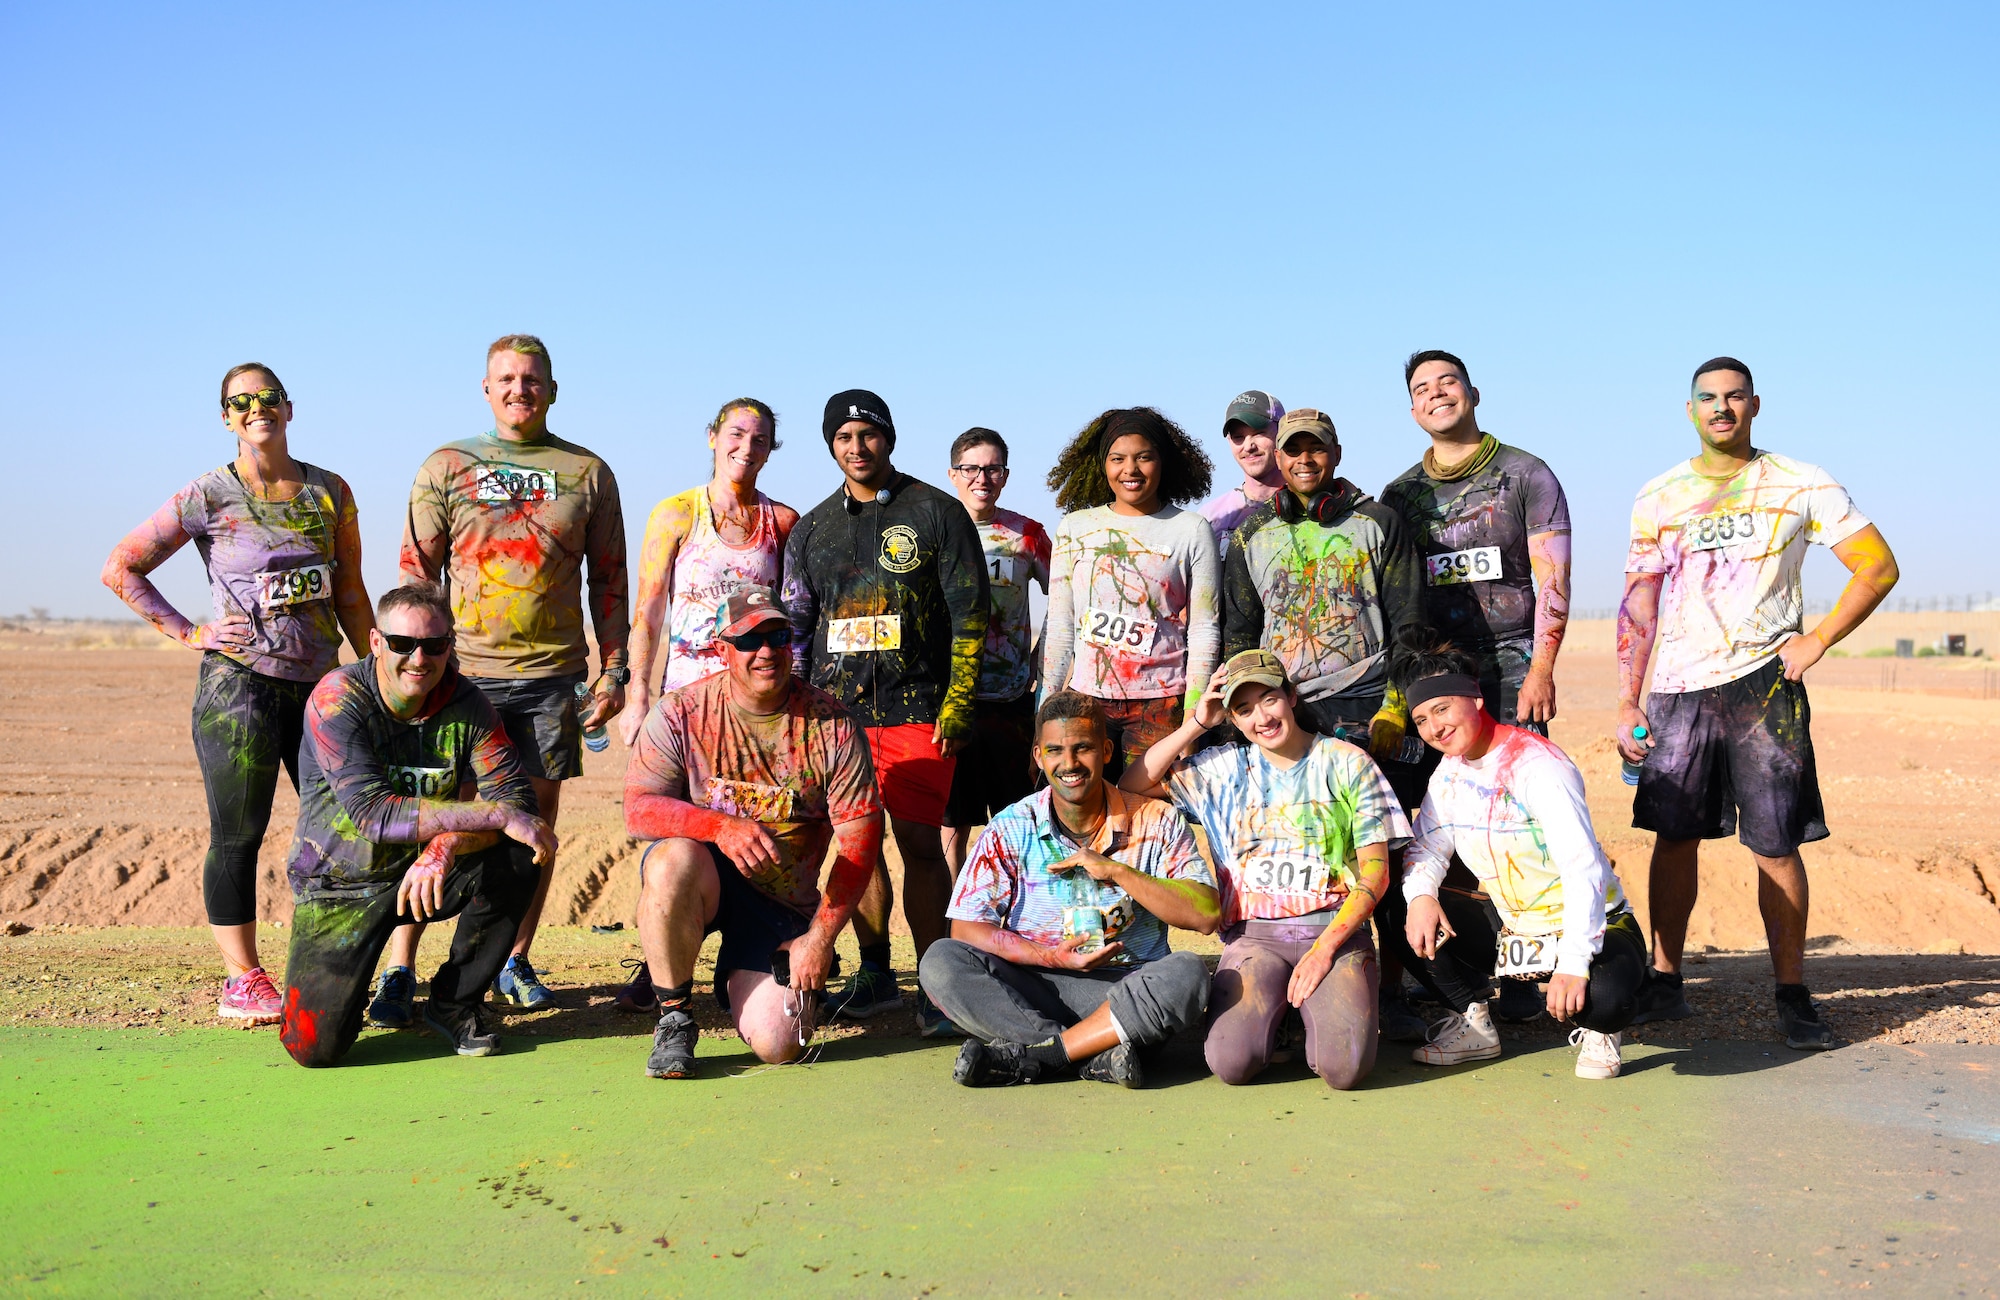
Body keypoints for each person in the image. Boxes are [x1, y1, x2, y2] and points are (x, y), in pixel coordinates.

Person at [1617, 357, 1898, 1051]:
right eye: (1708, 399)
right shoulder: (1659, 494)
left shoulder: (1800, 481)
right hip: (1678, 690)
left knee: (1775, 845)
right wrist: (1627, 697)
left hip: (1764, 686)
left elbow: (1878, 566)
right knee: (1673, 837)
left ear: (1755, 405)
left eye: (1734, 397)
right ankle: (1665, 981)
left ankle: (1792, 992)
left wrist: (1820, 639)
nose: (1722, 408)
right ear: (1690, 411)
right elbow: (1640, 601)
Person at [102, 362, 373, 1024]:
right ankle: (241, 979)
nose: (258, 409)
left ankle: (333, 967)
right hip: (240, 690)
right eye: (242, 402)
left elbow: (351, 592)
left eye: (268, 397)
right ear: (226, 417)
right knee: (239, 834)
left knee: (341, 828)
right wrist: (190, 630)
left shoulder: (331, 491)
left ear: (289, 407)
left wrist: (376, 675)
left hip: (320, 690)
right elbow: (122, 567)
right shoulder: (208, 495)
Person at [383, 333, 630, 1022]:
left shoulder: (587, 472)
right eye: (506, 379)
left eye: (531, 379)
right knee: (435, 818)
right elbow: (415, 576)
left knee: (533, 826)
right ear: (486, 390)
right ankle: (400, 969)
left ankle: (512, 961)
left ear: (552, 390)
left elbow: (609, 582)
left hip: (552, 678)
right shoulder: (446, 467)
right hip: (457, 679)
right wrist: (413, 670)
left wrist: (614, 672)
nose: (519, 389)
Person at [278, 581, 555, 1067]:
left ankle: (455, 1003)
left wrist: (444, 846)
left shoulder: (470, 707)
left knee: (521, 853)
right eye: (403, 644)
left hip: (425, 873)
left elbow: (517, 802)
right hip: (340, 883)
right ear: (376, 642)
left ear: (450, 646)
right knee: (313, 1048)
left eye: (434, 645)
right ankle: (353, 988)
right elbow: (375, 813)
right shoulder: (337, 699)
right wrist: (497, 813)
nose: (418, 659)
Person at [779, 389, 989, 1031]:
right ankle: (876, 974)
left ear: (889, 439)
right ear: (830, 446)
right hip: (835, 721)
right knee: (854, 847)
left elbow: (971, 614)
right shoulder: (812, 528)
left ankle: (938, 985)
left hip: (918, 711)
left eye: (868, 435)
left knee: (922, 846)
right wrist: (794, 716)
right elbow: (794, 628)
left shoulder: (937, 512)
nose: (856, 448)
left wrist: (956, 705)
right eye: (843, 438)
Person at [1218, 406, 1429, 1041]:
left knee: (1384, 857)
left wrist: (1397, 708)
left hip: (1369, 710)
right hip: (1284, 712)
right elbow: (1238, 634)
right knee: (1294, 848)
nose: (1304, 460)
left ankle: (1389, 988)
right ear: (1278, 460)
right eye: (1293, 450)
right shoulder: (1252, 533)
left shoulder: (1379, 522)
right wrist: (1237, 718)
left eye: (1316, 449)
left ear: (1334, 454)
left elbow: (1408, 621)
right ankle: (1279, 999)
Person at [1380, 349, 1574, 1025]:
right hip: (1436, 689)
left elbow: (1553, 580)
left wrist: (1543, 668)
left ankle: (1532, 966)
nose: (1437, 394)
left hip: (1515, 675)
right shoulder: (1400, 496)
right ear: (1412, 409)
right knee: (1444, 826)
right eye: (1422, 389)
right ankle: (1460, 965)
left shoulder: (1526, 474)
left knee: (1521, 827)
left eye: (1448, 382)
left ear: (1473, 392)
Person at [623, 587, 883, 1077]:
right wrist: (720, 827)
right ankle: (674, 1015)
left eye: (778, 637)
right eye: (749, 640)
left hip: (781, 906)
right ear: (722, 649)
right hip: (704, 881)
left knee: (780, 1043)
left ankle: (753, 977)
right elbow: (639, 809)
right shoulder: (682, 713)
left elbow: (860, 841)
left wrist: (820, 939)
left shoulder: (832, 726)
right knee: (671, 860)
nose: (766, 651)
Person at [1122, 649, 1409, 1089]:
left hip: (1333, 930)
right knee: (1231, 1064)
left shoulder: (1346, 762)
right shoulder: (1221, 769)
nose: (1261, 717)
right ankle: (1282, 1016)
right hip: (1255, 938)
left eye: (1269, 698)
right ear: (1232, 719)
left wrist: (1324, 951)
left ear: (1292, 696)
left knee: (1344, 1069)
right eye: (1243, 709)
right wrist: (1197, 724)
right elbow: (1131, 784)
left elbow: (1376, 873)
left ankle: (1311, 1009)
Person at [919, 691, 1218, 1088]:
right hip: (1038, 986)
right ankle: (1087, 1056)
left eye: (1083, 748)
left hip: (1124, 992)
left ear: (1107, 750)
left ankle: (1039, 1056)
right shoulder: (1012, 826)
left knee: (1188, 973)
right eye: (1056, 750)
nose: (1070, 763)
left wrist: (1118, 871)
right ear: (1039, 755)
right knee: (941, 960)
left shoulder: (1157, 819)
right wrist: (1050, 957)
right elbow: (966, 929)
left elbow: (1206, 915)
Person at [610, 398, 797, 1015]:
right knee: (675, 829)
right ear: (713, 437)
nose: (747, 446)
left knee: (757, 819)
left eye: (761, 438)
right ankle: (663, 959)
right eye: (737, 433)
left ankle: (757, 941)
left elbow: (795, 615)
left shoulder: (783, 523)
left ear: (772, 449)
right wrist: (638, 695)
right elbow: (650, 610)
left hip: (757, 707)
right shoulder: (676, 514)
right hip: (686, 706)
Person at [1393, 635, 1643, 1079]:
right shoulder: (1447, 774)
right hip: (1514, 927)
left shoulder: (1536, 765)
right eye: (1422, 719)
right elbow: (1426, 847)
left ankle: (1601, 1029)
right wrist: (1420, 897)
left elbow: (1580, 863)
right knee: (1401, 908)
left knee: (1604, 1003)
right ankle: (1474, 1024)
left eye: (1443, 708)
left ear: (1476, 697)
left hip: (1590, 925)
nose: (1435, 727)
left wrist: (1573, 961)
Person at [1042, 407, 1220, 782]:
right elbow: (1060, 626)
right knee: (1087, 815)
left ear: (1163, 462)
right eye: (1117, 459)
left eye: (1144, 457)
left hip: (1162, 704)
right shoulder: (1075, 529)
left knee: (1148, 815)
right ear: (1102, 465)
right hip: (1087, 703)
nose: (1131, 470)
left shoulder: (1191, 530)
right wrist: (1045, 713)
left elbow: (1205, 627)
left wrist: (1192, 717)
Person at [939, 428, 1051, 889]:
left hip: (1010, 703)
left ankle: (1015, 910)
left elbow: (1068, 602)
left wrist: (1043, 666)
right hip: (950, 700)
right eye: (971, 468)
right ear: (953, 475)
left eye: (993, 469)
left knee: (1014, 817)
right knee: (952, 820)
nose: (982, 478)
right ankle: (951, 922)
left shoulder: (1027, 535)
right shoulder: (935, 530)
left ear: (1005, 476)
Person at [1199, 390, 1286, 559]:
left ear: (1282, 432)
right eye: (1238, 437)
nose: (1248, 446)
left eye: (1258, 433)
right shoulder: (1211, 518)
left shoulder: (1312, 507)